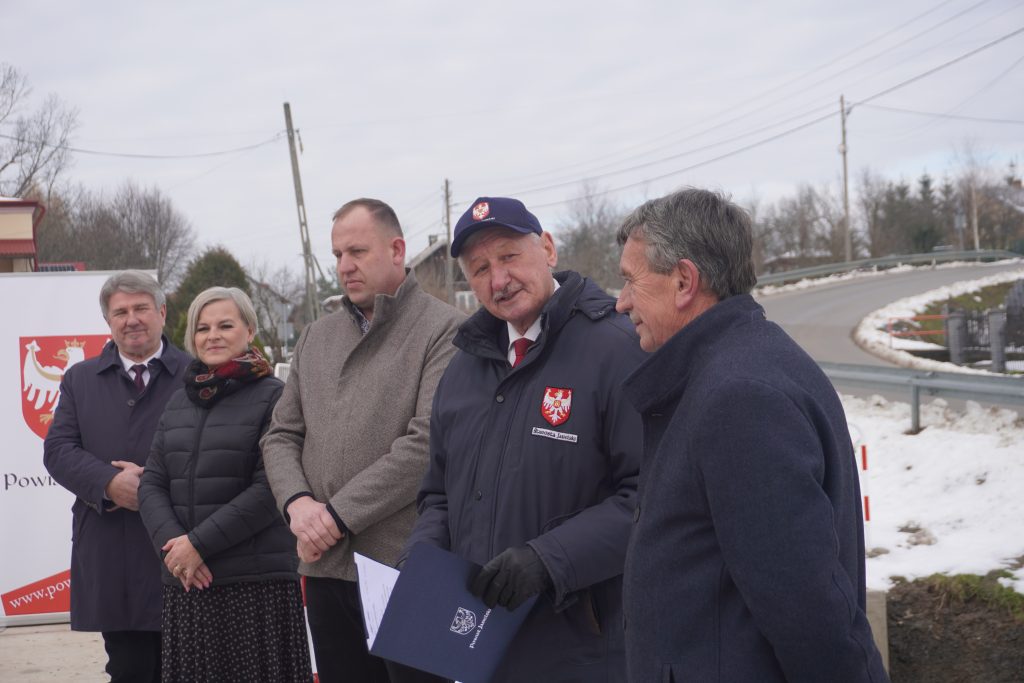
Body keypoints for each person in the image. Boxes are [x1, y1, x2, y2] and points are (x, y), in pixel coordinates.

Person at [614, 188, 890, 682]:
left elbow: (810, 611)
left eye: (632, 281)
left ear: (683, 281)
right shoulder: (735, 367)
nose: (621, 302)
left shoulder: (738, 398)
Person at [403, 196, 645, 681]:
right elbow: (438, 495)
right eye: (480, 268)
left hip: (581, 647)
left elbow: (647, 497)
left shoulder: (617, 349)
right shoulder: (464, 369)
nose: (498, 280)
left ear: (548, 249)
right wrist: (423, 559)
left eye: (509, 256)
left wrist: (546, 560)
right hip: (478, 644)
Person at [261, 198, 464, 683]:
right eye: (336, 255)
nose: (344, 267)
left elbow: (425, 444)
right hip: (326, 566)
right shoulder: (317, 336)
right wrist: (298, 505)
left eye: (357, 251)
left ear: (397, 249)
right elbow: (281, 435)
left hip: (405, 563)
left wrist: (334, 516)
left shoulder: (444, 330)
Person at [137, 287, 312, 682]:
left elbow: (271, 488)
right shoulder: (179, 402)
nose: (212, 335)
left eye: (225, 325)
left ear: (249, 331)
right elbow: (152, 482)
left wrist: (199, 544)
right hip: (189, 582)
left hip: (254, 587)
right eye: (202, 328)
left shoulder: (275, 397)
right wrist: (176, 548)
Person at [43, 270, 190, 683]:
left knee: (185, 666)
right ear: (108, 322)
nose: (132, 319)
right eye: (120, 312)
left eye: (141, 308)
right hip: (113, 550)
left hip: (183, 547)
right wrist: (108, 484)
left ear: (162, 312)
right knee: (129, 669)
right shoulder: (80, 379)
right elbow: (58, 450)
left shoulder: (196, 376)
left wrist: (154, 488)